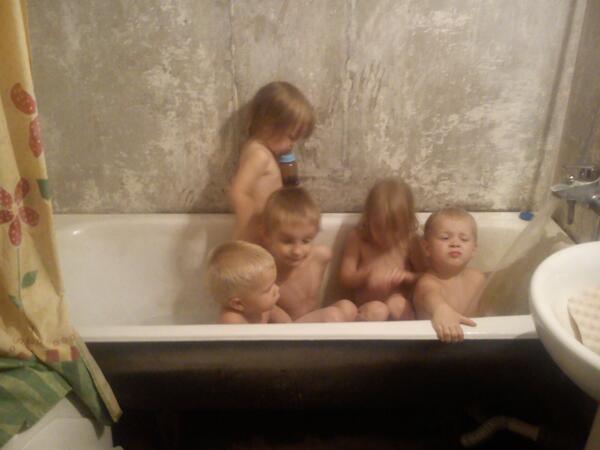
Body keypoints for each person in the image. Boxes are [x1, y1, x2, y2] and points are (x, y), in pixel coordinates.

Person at [229, 81, 315, 243]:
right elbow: (238, 191)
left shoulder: (261, 151)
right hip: (253, 237)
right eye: (291, 137)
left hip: (264, 233)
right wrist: (250, 225)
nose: (292, 145)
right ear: (269, 125)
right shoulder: (259, 155)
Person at [261, 187, 357, 322]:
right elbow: (259, 305)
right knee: (333, 315)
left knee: (348, 307)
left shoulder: (321, 257)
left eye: (306, 241)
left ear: (315, 234)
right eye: (287, 241)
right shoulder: (267, 271)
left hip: (312, 321)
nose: (297, 251)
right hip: (287, 328)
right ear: (267, 236)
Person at [339, 178, 426, 321]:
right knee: (377, 310)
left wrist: (406, 276)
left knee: (398, 304)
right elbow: (345, 278)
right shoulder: (358, 238)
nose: (386, 236)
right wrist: (366, 274)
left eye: (395, 229)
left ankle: (406, 336)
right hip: (367, 306)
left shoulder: (410, 240)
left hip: (399, 303)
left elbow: (427, 277)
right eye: (378, 228)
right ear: (368, 219)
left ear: (408, 222)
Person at [413, 208, 486, 343]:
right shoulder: (428, 282)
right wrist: (440, 309)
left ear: (474, 249)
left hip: (474, 339)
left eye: (464, 239)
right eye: (445, 238)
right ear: (427, 248)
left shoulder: (478, 277)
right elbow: (429, 296)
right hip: (436, 345)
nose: (455, 243)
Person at [205, 240, 292, 324]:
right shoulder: (231, 322)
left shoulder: (265, 307)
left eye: (273, 283)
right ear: (238, 304)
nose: (277, 288)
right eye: (268, 289)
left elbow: (287, 323)